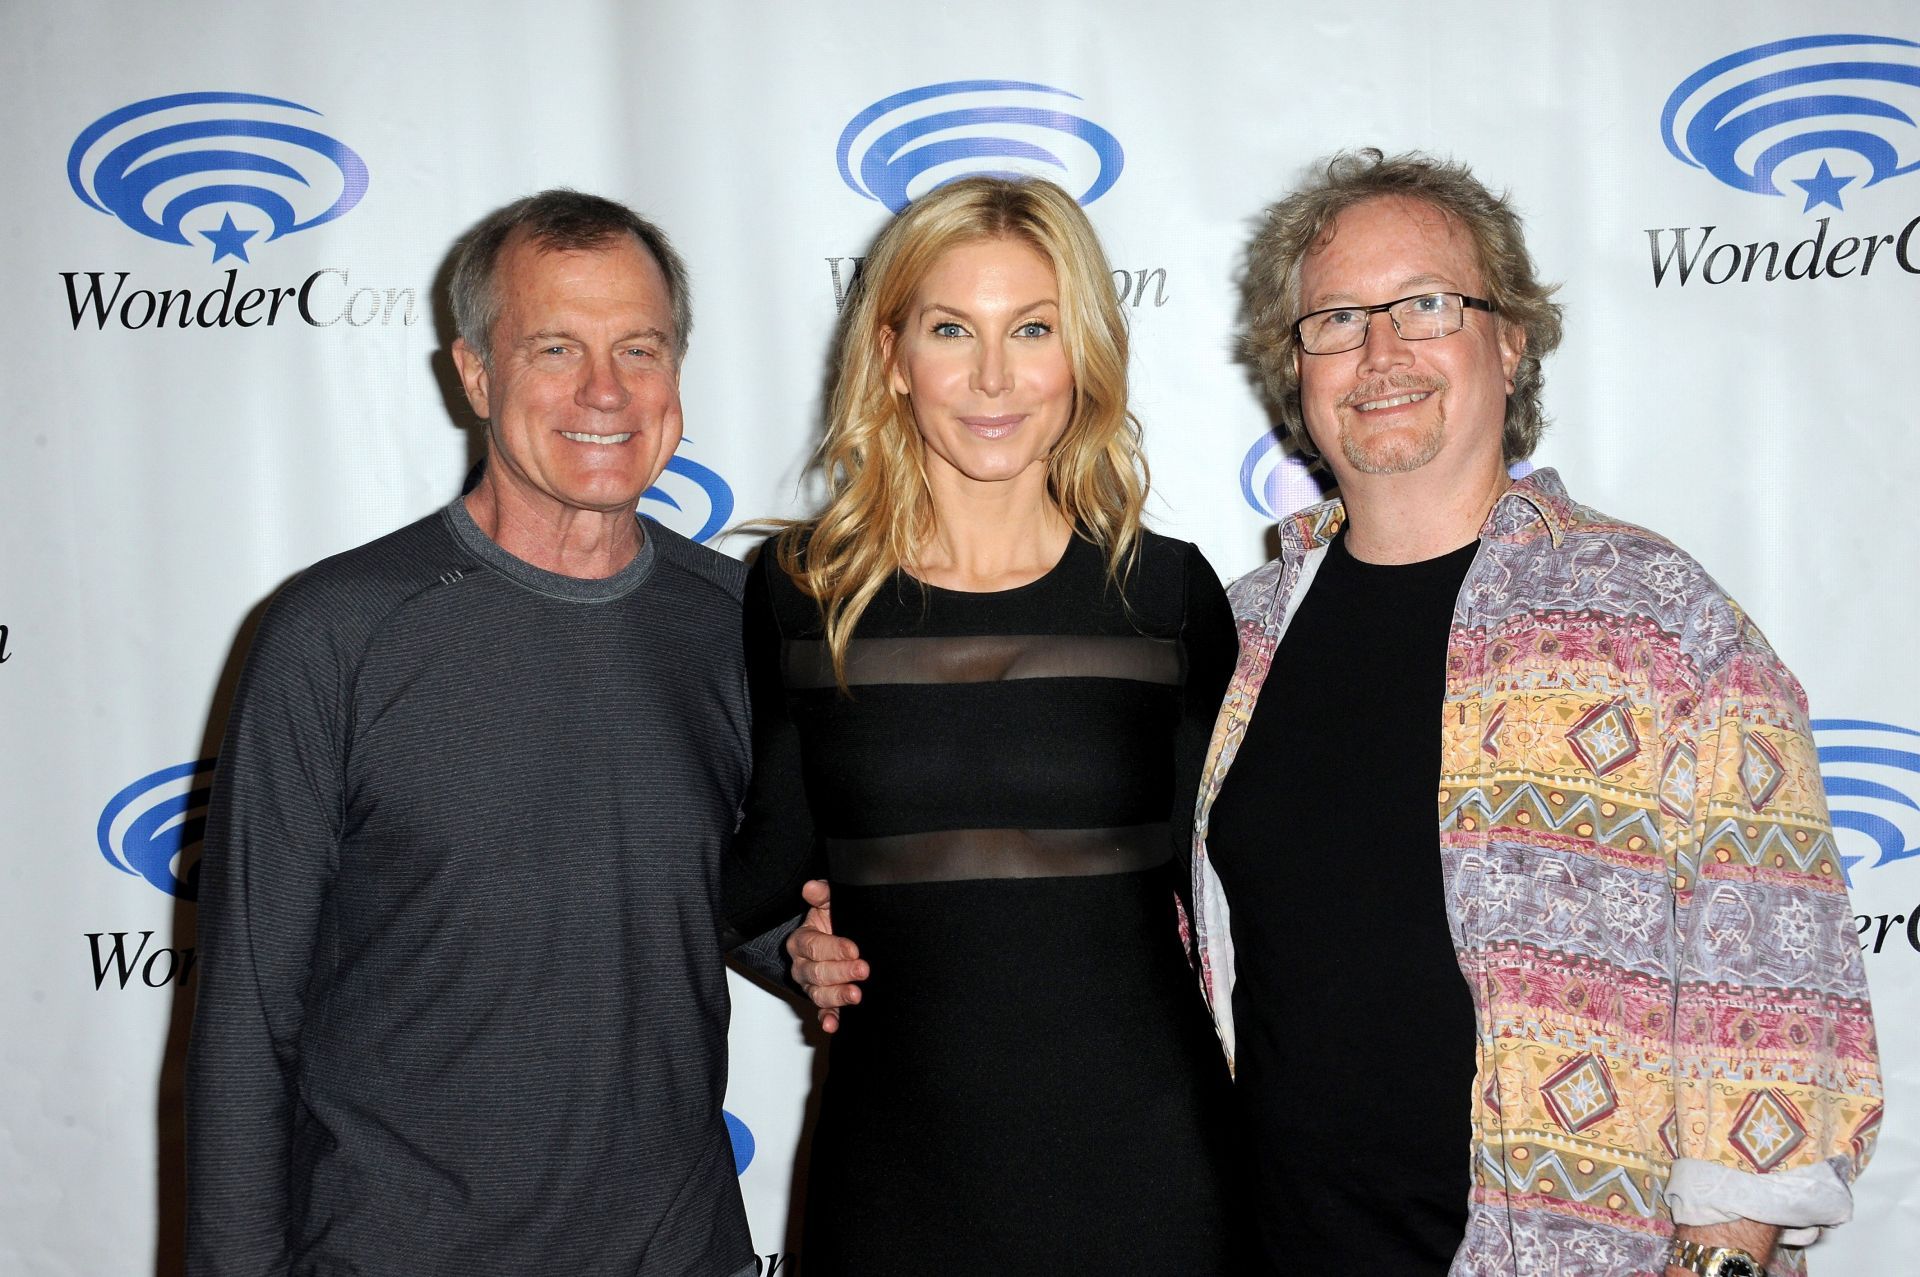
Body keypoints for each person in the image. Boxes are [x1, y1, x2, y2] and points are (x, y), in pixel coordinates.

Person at [1196, 151, 1880, 1275]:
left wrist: (1726, 1258)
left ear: (1510, 339)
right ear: (1296, 366)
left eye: (1426, 303)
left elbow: (1778, 973)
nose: (1382, 352)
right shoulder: (1236, 640)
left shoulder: (1659, 615)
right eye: (1336, 318)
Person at [187, 190, 779, 1277]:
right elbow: (244, 1022)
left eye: (639, 348)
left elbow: (757, 892)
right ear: (474, 373)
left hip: (679, 1254)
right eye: (555, 347)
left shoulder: (740, 622)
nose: (605, 391)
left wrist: (821, 942)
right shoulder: (339, 632)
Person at [723, 175, 1246, 1274]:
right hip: (898, 1168)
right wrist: (796, 947)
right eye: (954, 328)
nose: (995, 377)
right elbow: (762, 875)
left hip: (1146, 1163)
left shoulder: (1168, 597)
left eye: (1035, 329)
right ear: (894, 354)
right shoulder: (803, 591)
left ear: (1085, 355)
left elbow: (1243, 886)